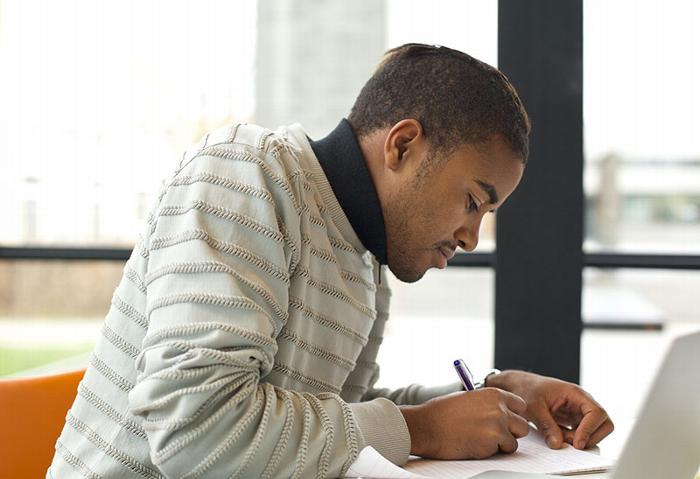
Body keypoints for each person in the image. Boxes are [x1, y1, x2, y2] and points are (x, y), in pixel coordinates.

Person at [48, 43, 613, 478]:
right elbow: (197, 431)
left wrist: (496, 397)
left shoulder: (365, 253)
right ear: (402, 145)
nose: (471, 236)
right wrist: (419, 430)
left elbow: (328, 416)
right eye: (473, 200)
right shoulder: (244, 177)